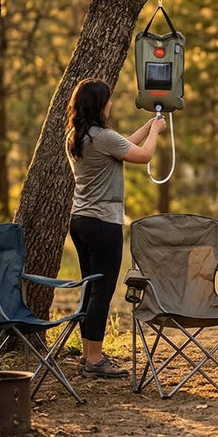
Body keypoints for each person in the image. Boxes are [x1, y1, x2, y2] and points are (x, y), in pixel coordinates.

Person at [65, 78, 167, 379]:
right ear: (99, 104)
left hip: (80, 220)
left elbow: (123, 146)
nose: (110, 104)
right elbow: (143, 155)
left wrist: (148, 128)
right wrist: (158, 133)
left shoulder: (77, 135)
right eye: (107, 100)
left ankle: (88, 354)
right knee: (102, 291)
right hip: (103, 222)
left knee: (89, 288)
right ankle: (95, 361)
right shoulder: (102, 137)